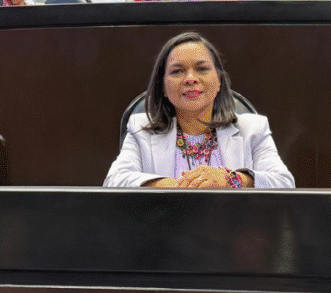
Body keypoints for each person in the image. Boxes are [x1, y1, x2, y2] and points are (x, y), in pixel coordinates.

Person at [104, 32, 294, 189]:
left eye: (202, 69)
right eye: (177, 71)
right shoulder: (141, 129)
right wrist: (174, 187)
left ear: (219, 81)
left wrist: (231, 179)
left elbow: (284, 183)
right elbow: (113, 182)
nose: (190, 79)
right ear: (163, 87)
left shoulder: (252, 129)